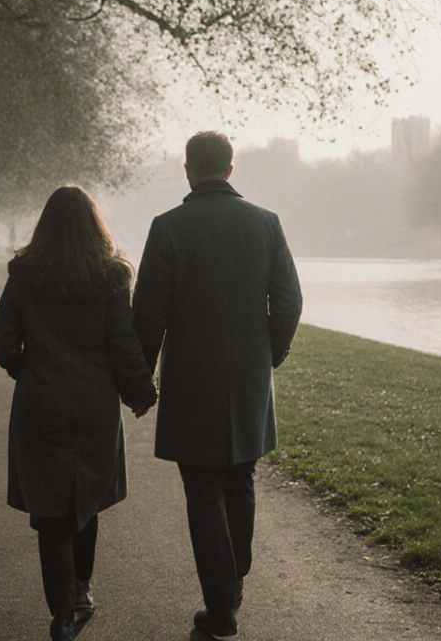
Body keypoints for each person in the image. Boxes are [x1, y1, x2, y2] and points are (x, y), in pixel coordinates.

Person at [132, 131, 302, 639]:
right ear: (230, 170)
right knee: (240, 479)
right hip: (247, 379)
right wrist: (269, 355)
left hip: (191, 383)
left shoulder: (167, 228)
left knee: (203, 488)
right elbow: (289, 302)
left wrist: (140, 383)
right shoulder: (266, 224)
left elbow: (148, 317)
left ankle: (222, 603)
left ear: (188, 170)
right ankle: (234, 583)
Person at [0, 185, 157, 641]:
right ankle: (81, 590)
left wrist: (30, 371)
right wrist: (141, 393)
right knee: (87, 497)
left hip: (40, 403)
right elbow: (123, 344)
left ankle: (62, 613)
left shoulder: (25, 274)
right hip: (93, 403)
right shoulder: (111, 276)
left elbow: (2, 342)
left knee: (50, 511)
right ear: (93, 224)